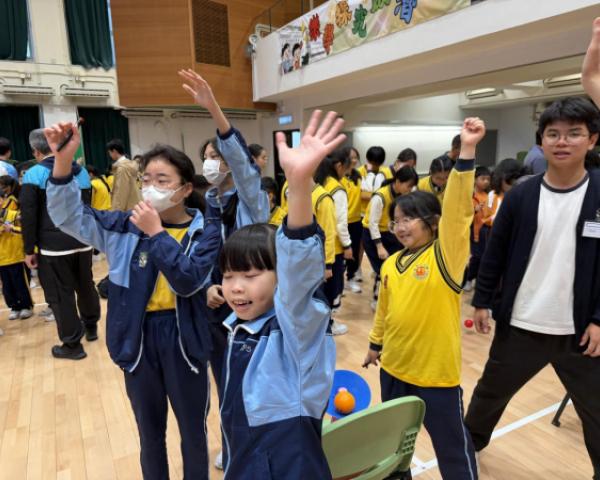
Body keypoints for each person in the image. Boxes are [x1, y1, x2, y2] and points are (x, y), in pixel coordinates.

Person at [45, 121, 221, 479]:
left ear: (186, 189)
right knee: (149, 434)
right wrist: (62, 162)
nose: (151, 188)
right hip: (138, 337)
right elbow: (68, 217)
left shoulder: (205, 230)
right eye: (146, 179)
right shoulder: (123, 226)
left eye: (163, 180)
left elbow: (187, 280)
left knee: (193, 432)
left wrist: (156, 233)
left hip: (184, 336)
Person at [465, 95, 600, 478]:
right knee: (489, 395)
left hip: (580, 333)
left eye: (574, 133)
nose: (562, 141)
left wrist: (599, 319)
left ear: (592, 139)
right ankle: (466, 449)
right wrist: (482, 301)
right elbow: (494, 254)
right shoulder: (522, 195)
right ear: (541, 141)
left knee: (597, 411)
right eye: (553, 133)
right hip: (522, 324)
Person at [219, 109, 344, 480]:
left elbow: (300, 274)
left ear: (281, 279)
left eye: (250, 275)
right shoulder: (240, 327)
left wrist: (299, 184)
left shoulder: (295, 330)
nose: (236, 286)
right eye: (228, 276)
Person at [364, 117, 485, 480]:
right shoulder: (391, 264)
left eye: (408, 220)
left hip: (435, 377)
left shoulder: (446, 257)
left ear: (432, 222)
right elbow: (385, 311)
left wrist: (467, 151)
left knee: (452, 448)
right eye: (395, 221)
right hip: (393, 370)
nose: (400, 227)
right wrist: (375, 344)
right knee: (394, 448)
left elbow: (459, 212)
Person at [178, 69, 270, 470]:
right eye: (208, 157)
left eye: (218, 156)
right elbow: (199, 261)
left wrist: (213, 108)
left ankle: (263, 450)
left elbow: (244, 166)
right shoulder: (205, 207)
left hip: (255, 311)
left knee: (258, 385)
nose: (211, 162)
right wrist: (207, 288)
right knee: (227, 384)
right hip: (217, 312)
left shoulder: (252, 199)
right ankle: (234, 450)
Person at [20, 129, 100, 360]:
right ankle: (91, 327)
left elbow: (29, 215)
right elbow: (87, 207)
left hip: (53, 247)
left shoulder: (34, 174)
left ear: (36, 151)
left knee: (60, 293)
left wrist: (28, 249)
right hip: (82, 240)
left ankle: (72, 344)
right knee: (85, 284)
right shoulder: (81, 171)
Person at [362, 166, 419, 310]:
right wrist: (379, 246)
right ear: (398, 181)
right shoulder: (379, 196)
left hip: (389, 234)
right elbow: (373, 224)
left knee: (394, 267)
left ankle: (390, 297)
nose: (410, 189)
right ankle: (377, 300)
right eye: (409, 186)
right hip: (373, 235)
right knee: (382, 269)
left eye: (412, 187)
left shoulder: (402, 196)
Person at [315, 150, 352, 333]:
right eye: (347, 168)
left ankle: (320, 325)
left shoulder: (314, 185)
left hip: (312, 248)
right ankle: (327, 325)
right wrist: (347, 245)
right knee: (332, 289)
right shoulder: (336, 189)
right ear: (338, 166)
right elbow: (339, 224)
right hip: (332, 249)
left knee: (317, 290)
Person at [0, 175, 33, 320]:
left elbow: (23, 223)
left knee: (20, 283)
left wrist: (11, 227)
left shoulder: (12, 210)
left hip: (15, 254)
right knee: (7, 286)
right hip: (2, 258)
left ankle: (26, 306)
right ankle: (14, 307)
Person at [464, 166, 491, 292]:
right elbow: (463, 214)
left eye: (488, 179)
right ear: (475, 179)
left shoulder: (488, 195)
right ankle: (469, 279)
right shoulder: (469, 195)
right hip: (474, 231)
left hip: (485, 231)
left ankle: (477, 279)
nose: (486, 182)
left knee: (483, 256)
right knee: (476, 256)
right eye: (483, 179)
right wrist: (474, 210)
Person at [341, 147, 363, 293]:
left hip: (356, 220)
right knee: (341, 253)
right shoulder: (338, 177)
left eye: (356, 157)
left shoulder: (358, 175)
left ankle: (351, 279)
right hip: (342, 221)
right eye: (351, 157)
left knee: (354, 251)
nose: (354, 160)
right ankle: (339, 283)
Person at [107, 139, 142, 211]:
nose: (110, 155)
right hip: (135, 204)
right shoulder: (130, 165)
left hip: (128, 208)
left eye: (110, 152)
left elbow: (121, 192)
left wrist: (116, 212)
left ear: (114, 151)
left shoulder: (122, 168)